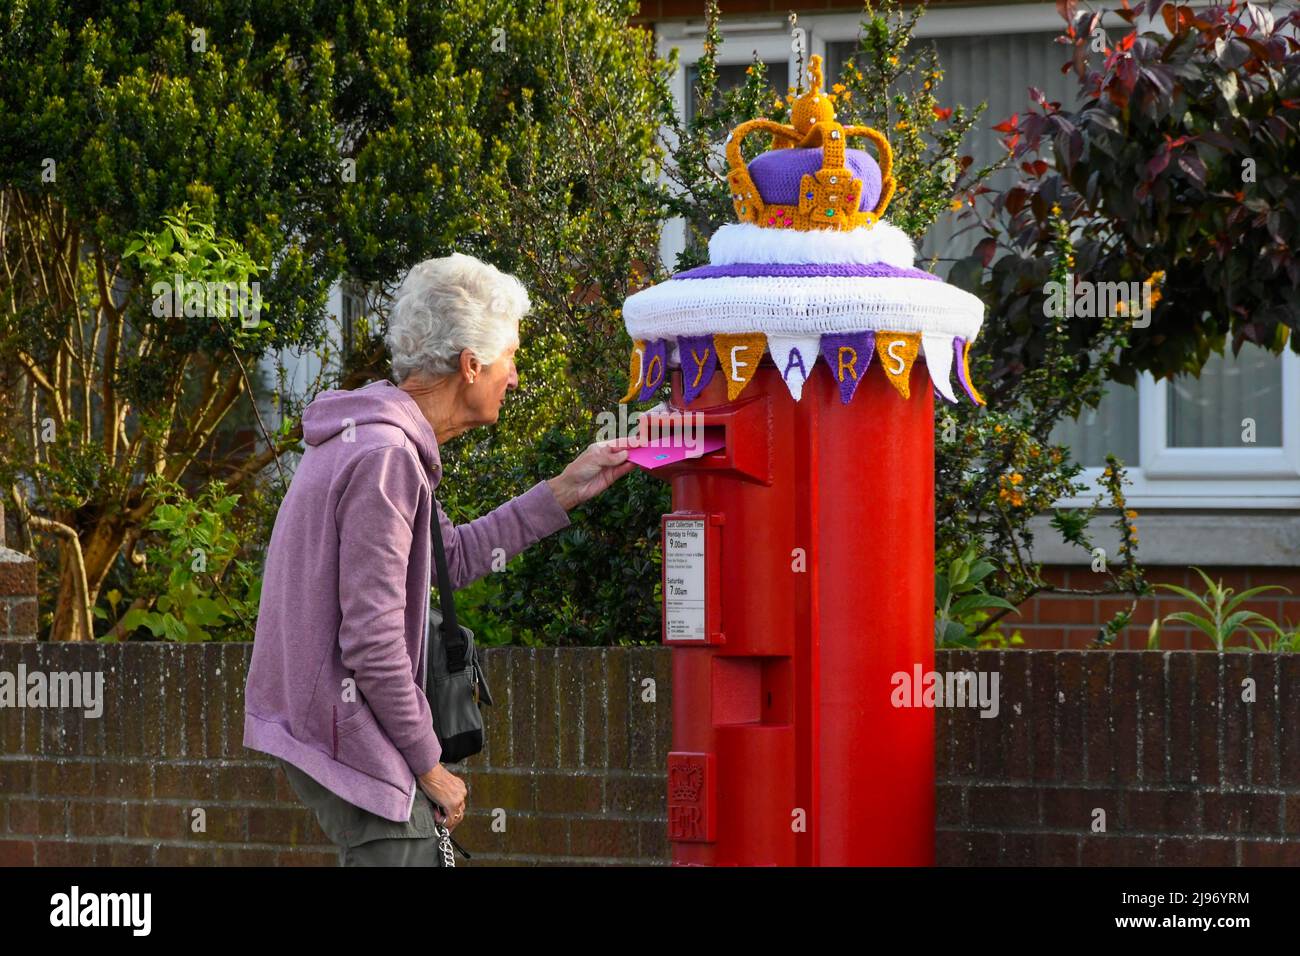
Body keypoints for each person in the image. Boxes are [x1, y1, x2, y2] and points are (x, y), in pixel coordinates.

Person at [243, 252, 636, 865]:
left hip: (336, 724)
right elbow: (372, 641)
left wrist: (567, 488)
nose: (515, 376)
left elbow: (447, 560)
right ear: (470, 363)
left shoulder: (383, 442)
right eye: (509, 358)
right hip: (351, 733)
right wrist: (431, 766)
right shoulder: (385, 457)